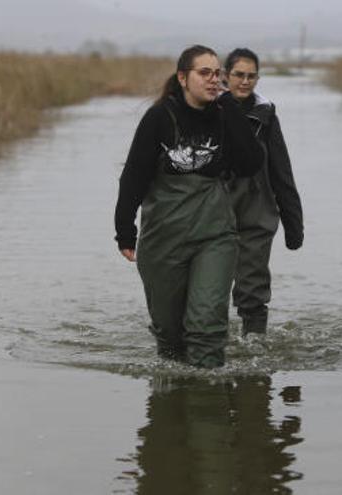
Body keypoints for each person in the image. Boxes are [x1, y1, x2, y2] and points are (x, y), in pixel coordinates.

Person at [114, 45, 264, 368]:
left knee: (206, 328)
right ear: (183, 77)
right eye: (204, 73)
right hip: (163, 236)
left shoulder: (225, 114)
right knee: (169, 337)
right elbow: (134, 175)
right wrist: (124, 230)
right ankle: (171, 405)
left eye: (217, 74)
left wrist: (230, 106)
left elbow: (252, 161)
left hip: (215, 235)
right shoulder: (159, 117)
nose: (213, 80)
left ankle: (206, 404)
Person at [223, 48, 304, 336]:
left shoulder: (266, 115)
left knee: (253, 288)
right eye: (239, 75)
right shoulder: (209, 109)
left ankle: (254, 358)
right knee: (210, 287)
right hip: (214, 212)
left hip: (258, 214)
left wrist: (294, 224)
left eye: (251, 76)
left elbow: (282, 171)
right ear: (225, 76)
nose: (245, 81)